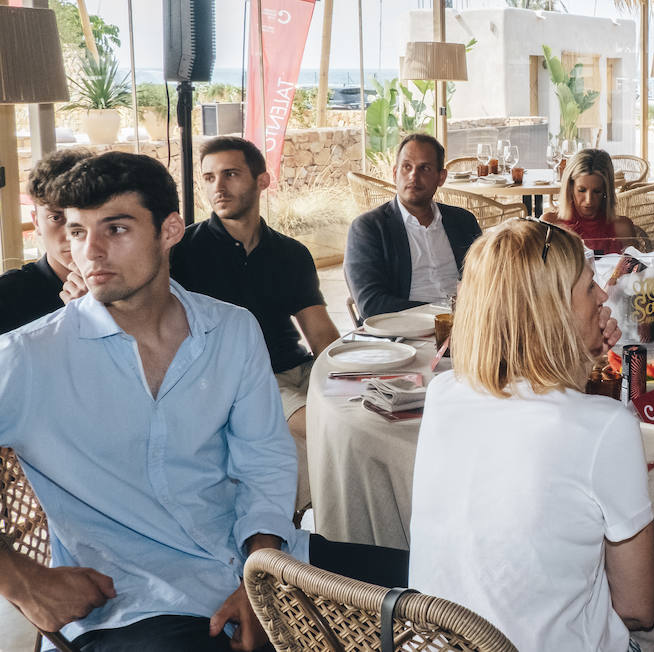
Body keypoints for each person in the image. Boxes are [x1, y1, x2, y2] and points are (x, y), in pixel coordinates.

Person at [0, 152, 407, 651]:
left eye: (117, 229)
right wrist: (23, 583)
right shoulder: (31, 356)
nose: (92, 252)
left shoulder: (231, 330)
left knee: (449, 582)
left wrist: (262, 576)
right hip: (133, 600)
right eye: (80, 232)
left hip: (260, 560)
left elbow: (264, 460)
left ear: (170, 231)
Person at [409, 218, 654, 652]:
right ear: (551, 310)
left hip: (442, 643)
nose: (604, 294)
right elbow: (637, 609)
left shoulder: (441, 394)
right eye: (590, 286)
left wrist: (583, 355)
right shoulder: (606, 427)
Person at [170, 136, 339, 449]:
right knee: (328, 427)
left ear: (263, 180)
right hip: (246, 380)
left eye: (230, 174)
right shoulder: (181, 253)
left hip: (299, 368)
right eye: (209, 178)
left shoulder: (290, 252)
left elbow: (320, 334)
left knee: (367, 412)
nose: (217, 188)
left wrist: (353, 374)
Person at [345, 133, 482, 319]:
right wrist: (445, 312)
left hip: (468, 328)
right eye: (406, 167)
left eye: (424, 168)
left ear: (441, 178)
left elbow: (485, 284)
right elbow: (371, 304)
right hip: (404, 335)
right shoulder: (368, 229)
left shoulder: (463, 222)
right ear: (395, 173)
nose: (413, 176)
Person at [0, 147, 90, 333]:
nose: (71, 233)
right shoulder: (5, 297)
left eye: (83, 216)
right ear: (36, 222)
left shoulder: (133, 287)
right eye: (56, 218)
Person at [543, 147, 642, 254]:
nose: (589, 200)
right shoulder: (550, 225)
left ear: (606, 190)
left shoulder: (623, 228)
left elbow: (635, 269)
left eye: (597, 191)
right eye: (581, 190)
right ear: (570, 187)